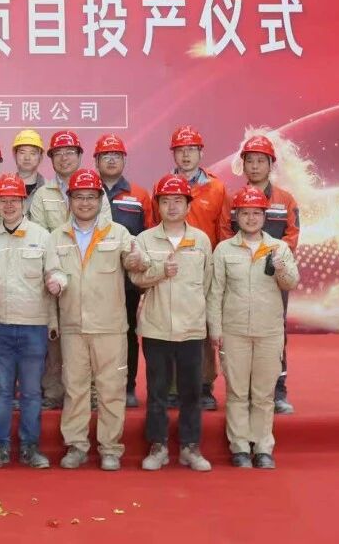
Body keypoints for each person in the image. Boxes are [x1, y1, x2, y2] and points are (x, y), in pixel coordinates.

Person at [51, 169, 147, 471]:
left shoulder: (119, 234)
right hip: (72, 326)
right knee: (75, 389)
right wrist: (53, 280)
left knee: (111, 390)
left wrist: (138, 261)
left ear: (100, 199)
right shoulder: (57, 236)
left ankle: (110, 448)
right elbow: (50, 271)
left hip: (110, 327)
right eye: (79, 197)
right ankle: (76, 446)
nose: (84, 203)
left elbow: (137, 262)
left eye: (91, 197)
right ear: (70, 200)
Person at [0, 174, 67, 469]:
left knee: (31, 393)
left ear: (24, 202)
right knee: (1, 392)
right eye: (2, 200)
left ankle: (31, 448)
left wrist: (57, 282)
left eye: (13, 200)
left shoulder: (42, 237)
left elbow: (56, 271)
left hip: (33, 326)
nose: (8, 205)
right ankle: (0, 448)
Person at [209, 186, 300, 469]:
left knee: (263, 394)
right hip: (234, 330)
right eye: (245, 213)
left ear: (265, 217)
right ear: (236, 217)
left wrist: (281, 268)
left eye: (256, 213)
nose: (251, 218)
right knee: (237, 392)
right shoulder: (224, 250)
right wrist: (215, 329)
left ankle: (262, 448)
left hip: (268, 332)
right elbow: (215, 292)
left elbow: (291, 282)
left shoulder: (279, 248)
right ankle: (239, 447)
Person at [131, 174, 214, 472]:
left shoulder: (201, 240)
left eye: (178, 201)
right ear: (158, 205)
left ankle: (191, 447)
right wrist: (160, 271)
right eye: (165, 201)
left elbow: (208, 284)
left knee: (192, 391)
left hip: (191, 328)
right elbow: (137, 278)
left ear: (188, 205)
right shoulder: (144, 239)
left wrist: (208, 322)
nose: (172, 206)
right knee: (157, 392)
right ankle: (158, 446)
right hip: (156, 327)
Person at [224, 135, 301, 415]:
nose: (255, 166)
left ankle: (277, 392)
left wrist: (274, 259)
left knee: (275, 334)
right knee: (239, 333)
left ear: (271, 164)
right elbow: (225, 233)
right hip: (239, 277)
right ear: (243, 165)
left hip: (273, 278)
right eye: (250, 161)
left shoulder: (285, 200)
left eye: (261, 161)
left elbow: (291, 236)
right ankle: (243, 392)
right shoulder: (232, 199)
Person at [157, 125, 229, 411]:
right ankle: (173, 386)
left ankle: (203, 385)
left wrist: (220, 267)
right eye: (180, 150)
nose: (186, 155)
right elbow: (153, 225)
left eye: (191, 149)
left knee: (203, 326)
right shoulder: (162, 185)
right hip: (171, 265)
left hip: (204, 265)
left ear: (201, 152)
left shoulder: (216, 187)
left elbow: (224, 230)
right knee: (170, 324)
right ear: (173, 153)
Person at [27, 130, 87, 410]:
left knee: (84, 336)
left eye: (70, 152)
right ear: (50, 159)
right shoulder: (42, 194)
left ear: (80, 156)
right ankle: (52, 392)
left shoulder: (93, 190)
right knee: (52, 336)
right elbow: (41, 235)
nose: (64, 158)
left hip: (87, 274)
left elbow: (101, 229)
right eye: (58, 153)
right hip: (51, 273)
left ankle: (84, 393)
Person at [94, 134, 155, 409]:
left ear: (124, 160)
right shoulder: (86, 192)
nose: (111, 160)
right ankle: (95, 387)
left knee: (128, 333)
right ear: (96, 160)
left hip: (126, 281)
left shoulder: (139, 195)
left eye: (116, 155)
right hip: (93, 278)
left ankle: (128, 386)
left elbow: (149, 235)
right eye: (105, 155)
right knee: (93, 334)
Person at [12, 129, 46, 199]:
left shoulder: (50, 189)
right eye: (22, 152)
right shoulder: (4, 187)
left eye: (32, 153)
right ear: (15, 155)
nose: (27, 158)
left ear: (41, 157)